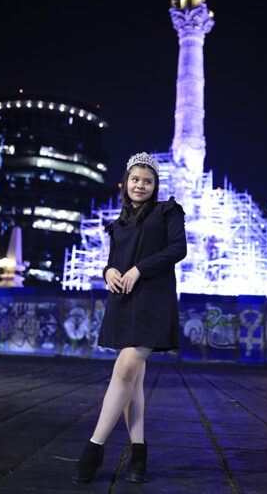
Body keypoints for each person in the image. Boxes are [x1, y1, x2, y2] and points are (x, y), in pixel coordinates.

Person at [72, 151, 187, 484]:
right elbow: (113, 260)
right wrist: (108, 271)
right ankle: (138, 454)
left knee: (124, 370)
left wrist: (139, 269)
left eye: (147, 181)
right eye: (135, 179)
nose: (140, 185)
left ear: (155, 185)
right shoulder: (119, 223)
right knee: (132, 379)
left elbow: (178, 249)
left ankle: (94, 447)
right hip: (123, 300)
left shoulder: (168, 211)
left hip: (154, 301)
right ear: (126, 182)